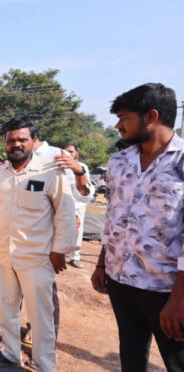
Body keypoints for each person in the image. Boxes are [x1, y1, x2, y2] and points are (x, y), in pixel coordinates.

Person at [92, 83, 184, 371]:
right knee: (131, 357)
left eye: (124, 117)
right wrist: (102, 264)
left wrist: (179, 298)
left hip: (167, 288)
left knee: (177, 361)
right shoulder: (119, 162)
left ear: (152, 116)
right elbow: (114, 217)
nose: (118, 125)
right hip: (122, 281)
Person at [0, 116, 75, 371]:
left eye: (22, 139)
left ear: (34, 141)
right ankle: (11, 354)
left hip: (37, 256)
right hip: (4, 254)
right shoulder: (0, 173)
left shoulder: (50, 170)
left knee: (40, 316)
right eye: (11, 140)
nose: (16, 145)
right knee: (7, 310)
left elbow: (65, 212)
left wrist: (59, 251)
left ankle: (44, 364)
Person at [63, 142, 94, 268]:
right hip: (62, 202)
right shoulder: (58, 166)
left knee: (77, 230)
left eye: (71, 151)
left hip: (78, 203)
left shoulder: (82, 167)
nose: (68, 153)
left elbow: (86, 185)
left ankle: (74, 257)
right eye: (66, 151)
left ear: (76, 153)